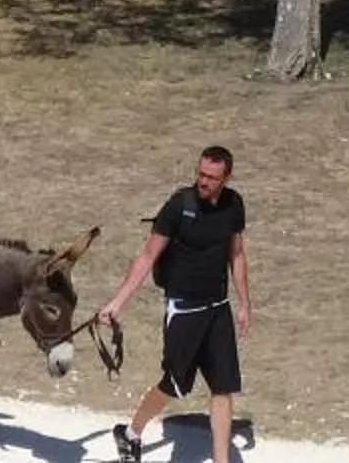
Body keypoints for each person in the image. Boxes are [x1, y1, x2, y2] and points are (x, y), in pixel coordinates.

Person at [97, 146, 252, 463]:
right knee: (175, 386)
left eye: (211, 177)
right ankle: (130, 434)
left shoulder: (234, 205)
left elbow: (236, 255)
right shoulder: (179, 206)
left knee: (223, 388)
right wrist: (117, 302)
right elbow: (147, 256)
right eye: (201, 174)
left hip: (218, 308)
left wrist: (244, 304)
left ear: (226, 177)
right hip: (184, 311)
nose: (203, 182)